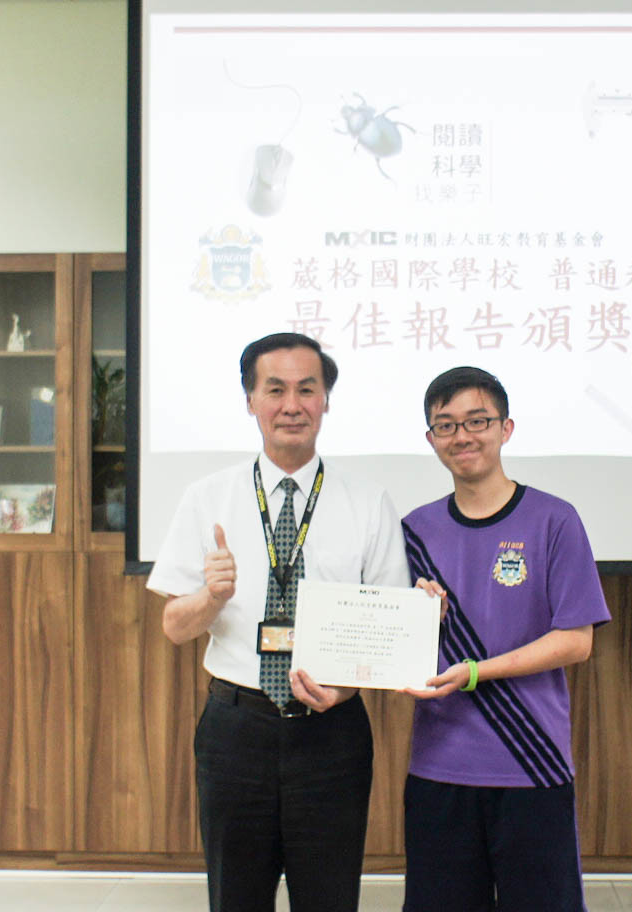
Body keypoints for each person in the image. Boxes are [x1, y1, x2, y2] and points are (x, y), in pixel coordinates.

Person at [147, 332, 410, 912]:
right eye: (275, 390)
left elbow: (390, 632)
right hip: (237, 730)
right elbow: (174, 626)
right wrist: (211, 598)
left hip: (331, 731)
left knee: (329, 898)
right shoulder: (207, 497)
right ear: (251, 401)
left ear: (325, 401)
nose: (292, 405)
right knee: (236, 899)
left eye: (306, 389)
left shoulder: (368, 501)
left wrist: (348, 688)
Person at [399, 366, 611, 912]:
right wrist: (415, 618)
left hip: (532, 763)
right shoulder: (414, 531)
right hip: (439, 764)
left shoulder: (554, 520)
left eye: (477, 421)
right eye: (446, 425)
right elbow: (394, 645)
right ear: (431, 439)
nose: (462, 436)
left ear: (505, 428)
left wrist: (476, 672)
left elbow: (576, 641)